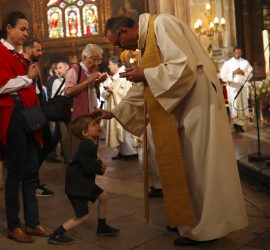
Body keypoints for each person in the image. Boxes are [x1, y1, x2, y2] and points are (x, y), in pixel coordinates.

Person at [94, 14, 248, 246]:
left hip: (197, 105)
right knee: (188, 166)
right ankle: (188, 219)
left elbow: (183, 67)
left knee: (200, 166)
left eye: (116, 42)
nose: (119, 48)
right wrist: (115, 112)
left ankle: (205, 228)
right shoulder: (148, 43)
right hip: (184, 107)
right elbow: (145, 89)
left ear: (124, 31)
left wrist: (144, 73)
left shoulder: (161, 24)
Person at [0, 11, 51, 243]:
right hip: (14, 116)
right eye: (22, 29)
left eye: (27, 29)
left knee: (31, 171)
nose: (26, 33)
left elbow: (29, 87)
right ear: (9, 28)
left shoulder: (19, 56)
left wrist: (31, 81)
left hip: (28, 116)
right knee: (15, 173)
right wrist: (27, 78)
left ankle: (33, 222)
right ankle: (14, 226)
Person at [48, 114, 119, 245]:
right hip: (77, 187)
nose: (98, 126)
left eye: (97, 124)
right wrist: (99, 168)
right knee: (83, 216)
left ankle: (102, 227)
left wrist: (97, 163)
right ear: (85, 133)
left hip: (84, 183)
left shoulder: (89, 143)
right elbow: (88, 167)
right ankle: (57, 234)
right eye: (94, 125)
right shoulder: (87, 146)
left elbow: (90, 160)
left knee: (103, 196)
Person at [23, 38, 56, 197]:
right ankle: (32, 183)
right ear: (29, 50)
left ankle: (32, 180)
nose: (41, 53)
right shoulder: (24, 65)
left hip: (39, 111)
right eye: (38, 50)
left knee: (46, 145)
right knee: (36, 149)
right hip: (32, 113)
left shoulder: (34, 65)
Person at [64, 44, 107, 157]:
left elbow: (89, 93)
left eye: (98, 60)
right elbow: (69, 91)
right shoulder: (74, 70)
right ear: (83, 57)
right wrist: (89, 81)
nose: (95, 64)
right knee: (78, 151)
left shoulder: (88, 72)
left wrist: (97, 83)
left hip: (90, 116)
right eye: (93, 59)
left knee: (90, 151)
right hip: (79, 119)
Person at [102, 56, 138, 161]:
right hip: (115, 107)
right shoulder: (116, 76)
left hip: (123, 108)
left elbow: (126, 93)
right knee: (118, 131)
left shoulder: (124, 75)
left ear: (115, 64)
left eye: (110, 64)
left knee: (125, 131)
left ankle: (130, 153)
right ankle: (122, 151)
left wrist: (112, 91)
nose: (109, 66)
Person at [220, 47, 253, 133]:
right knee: (234, 106)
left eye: (239, 53)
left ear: (241, 53)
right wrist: (233, 72)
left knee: (242, 106)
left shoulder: (245, 62)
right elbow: (222, 75)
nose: (238, 54)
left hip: (242, 88)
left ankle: (241, 125)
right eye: (236, 53)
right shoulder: (228, 64)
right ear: (233, 53)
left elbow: (251, 73)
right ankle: (235, 124)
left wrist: (243, 73)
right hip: (233, 89)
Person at [51, 61, 72, 164]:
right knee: (65, 137)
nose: (58, 70)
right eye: (57, 68)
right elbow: (54, 97)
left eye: (60, 67)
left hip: (71, 110)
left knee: (71, 134)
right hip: (61, 112)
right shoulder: (56, 82)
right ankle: (68, 159)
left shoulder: (71, 80)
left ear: (66, 68)